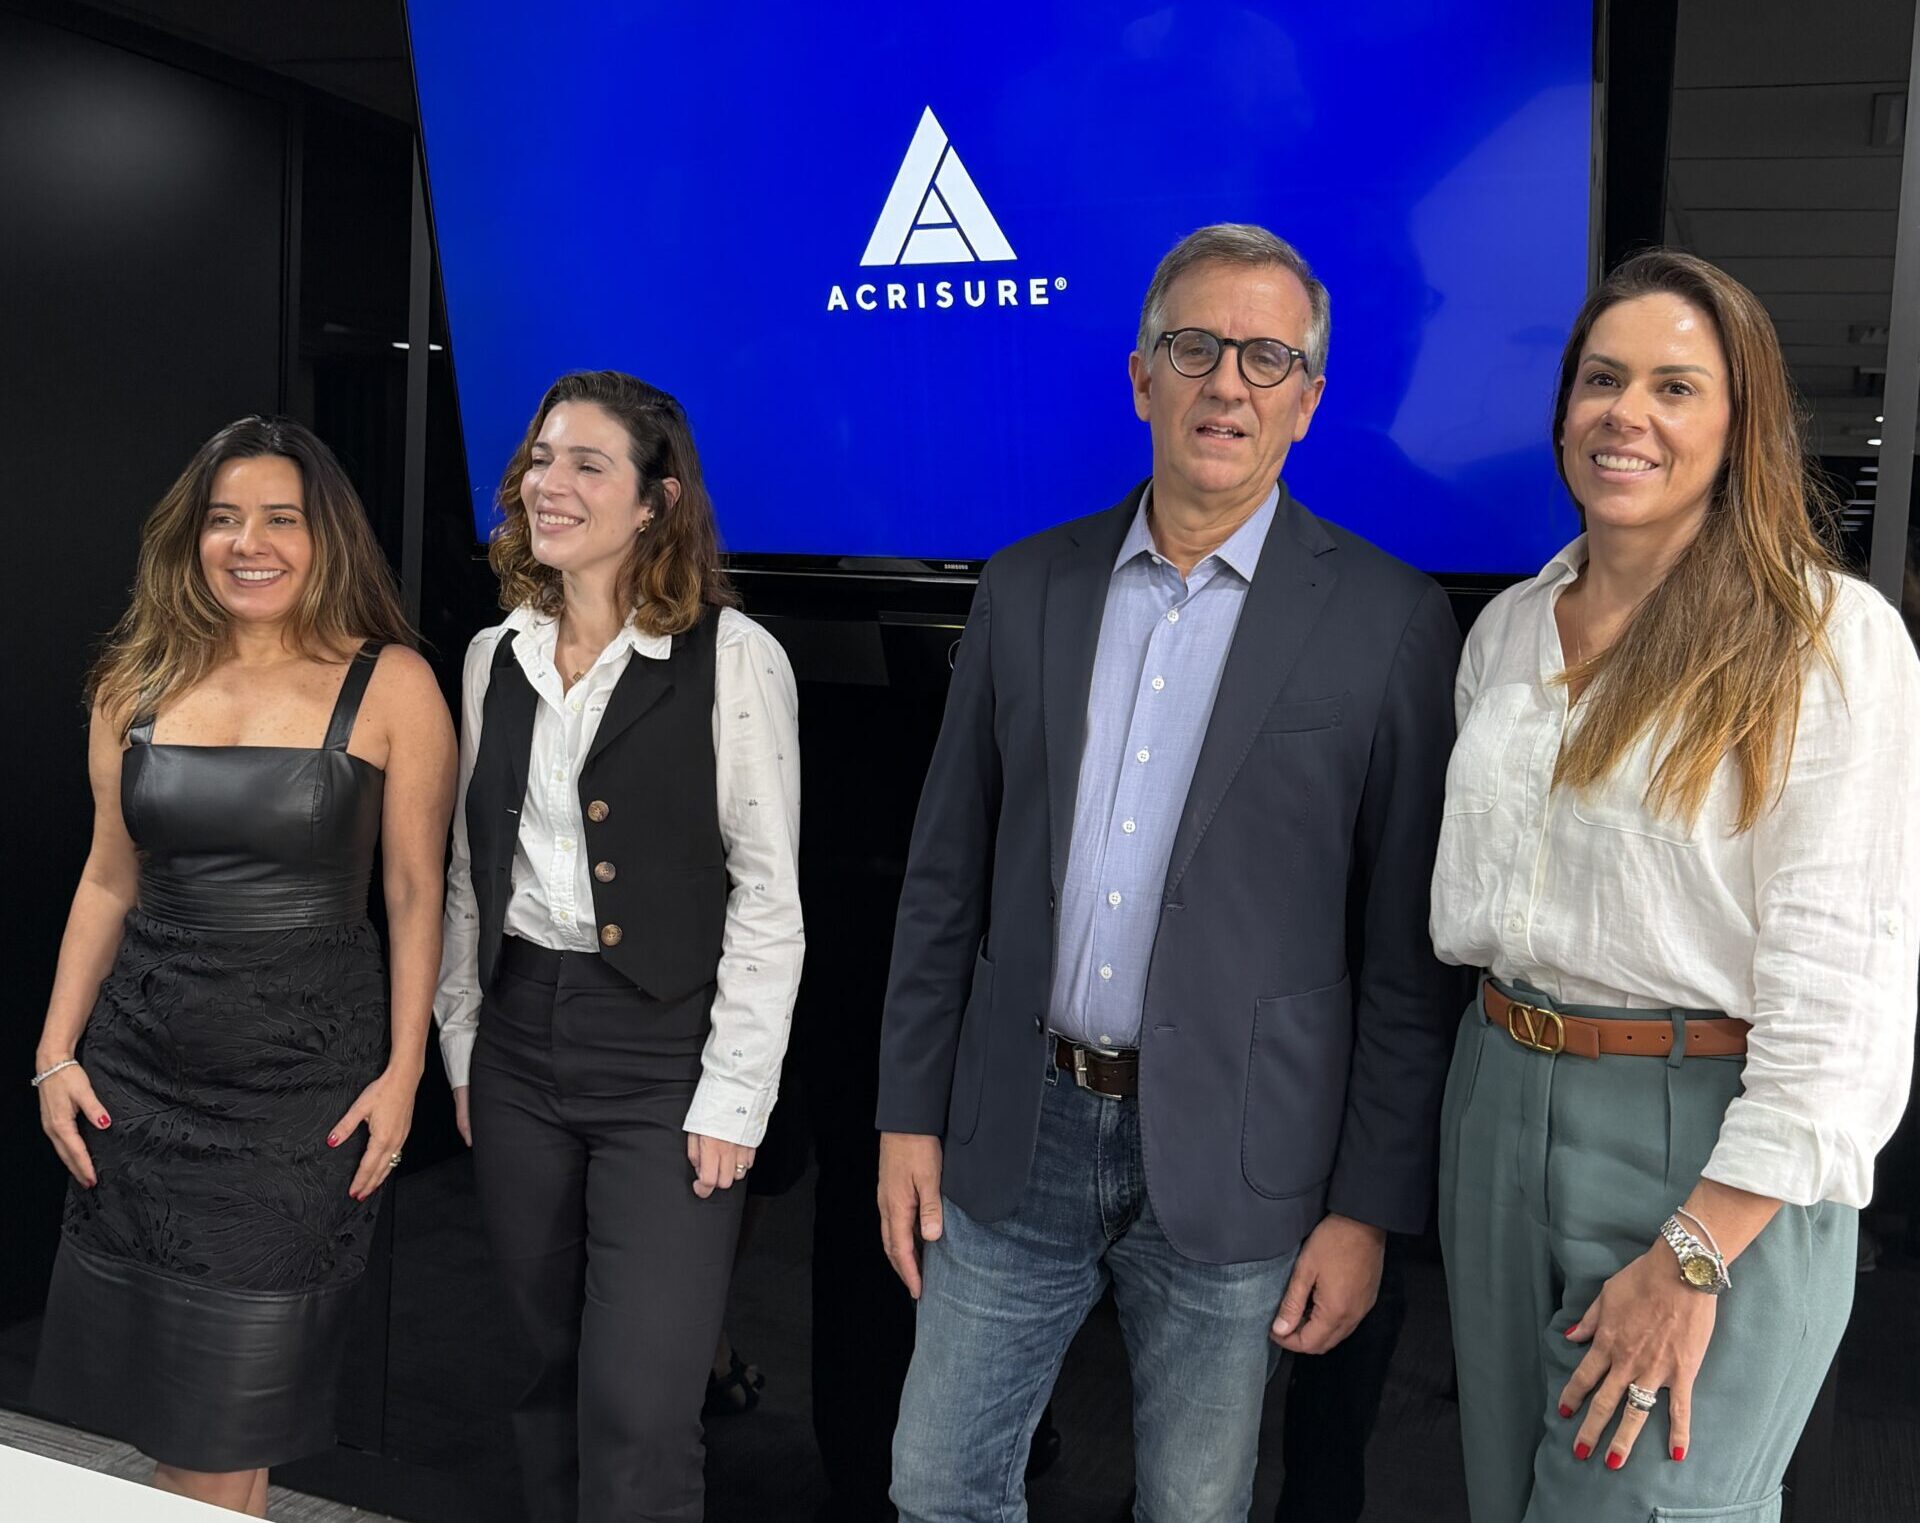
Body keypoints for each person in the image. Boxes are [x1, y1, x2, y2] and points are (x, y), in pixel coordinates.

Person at [876, 223, 1463, 1522]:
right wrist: (906, 1109)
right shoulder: (1027, 585)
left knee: (1193, 1505)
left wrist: (1366, 1208)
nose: (1228, 382)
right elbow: (942, 879)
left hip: (1248, 1150)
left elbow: (1400, 962)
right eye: (1196, 347)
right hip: (1018, 1120)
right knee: (938, 1476)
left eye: (1267, 357)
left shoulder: (1389, 618)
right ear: (1142, 375)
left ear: (1308, 401)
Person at [1432, 249, 1920, 1522]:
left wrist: (1695, 1248)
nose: (1625, 413)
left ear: (1740, 420)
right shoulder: (1508, 630)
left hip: (1703, 1146)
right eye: (1601, 379)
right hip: (1495, 1101)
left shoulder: (1824, 640)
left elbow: (1844, 992)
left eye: (1674, 385)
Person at [30, 417, 455, 1516]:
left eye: (280, 518)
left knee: (219, 1430)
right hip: (138, 1089)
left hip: (293, 1109)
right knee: (192, 1437)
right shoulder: (135, 679)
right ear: (191, 537)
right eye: (223, 519)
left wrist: (408, 1067)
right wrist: (52, 1056)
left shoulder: (394, 683)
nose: (247, 541)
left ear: (327, 539)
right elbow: (106, 880)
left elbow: (416, 893)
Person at [434, 369, 802, 1523]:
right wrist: (462, 1042)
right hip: (519, 1042)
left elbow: (769, 895)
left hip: (665, 1059)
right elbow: (468, 875)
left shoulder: (734, 657)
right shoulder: (496, 656)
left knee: (639, 1401)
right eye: (541, 457)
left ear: (657, 500)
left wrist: (733, 1092)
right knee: (549, 1377)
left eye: (588, 462)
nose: (550, 481)